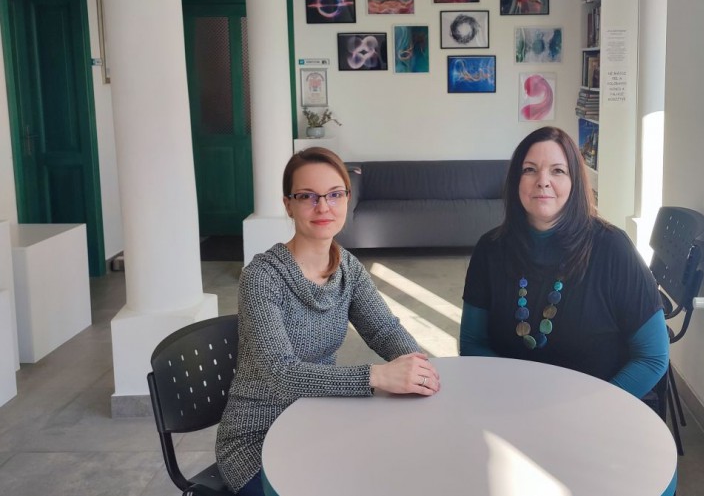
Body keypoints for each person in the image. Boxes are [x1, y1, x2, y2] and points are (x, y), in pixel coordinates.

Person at [459, 126, 675, 495]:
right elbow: (473, 343)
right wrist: (519, 405)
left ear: (575, 181)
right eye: (530, 169)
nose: (542, 181)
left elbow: (653, 356)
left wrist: (586, 414)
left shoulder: (612, 249)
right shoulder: (490, 249)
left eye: (557, 170)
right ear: (515, 181)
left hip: (600, 421)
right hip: (514, 420)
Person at [216, 147, 440, 496]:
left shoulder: (347, 267)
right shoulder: (262, 277)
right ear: (288, 205)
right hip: (258, 439)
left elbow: (384, 330)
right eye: (307, 196)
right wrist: (377, 376)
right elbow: (280, 373)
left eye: (335, 194)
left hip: (319, 419)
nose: (323, 207)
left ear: (348, 199)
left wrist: (420, 368)